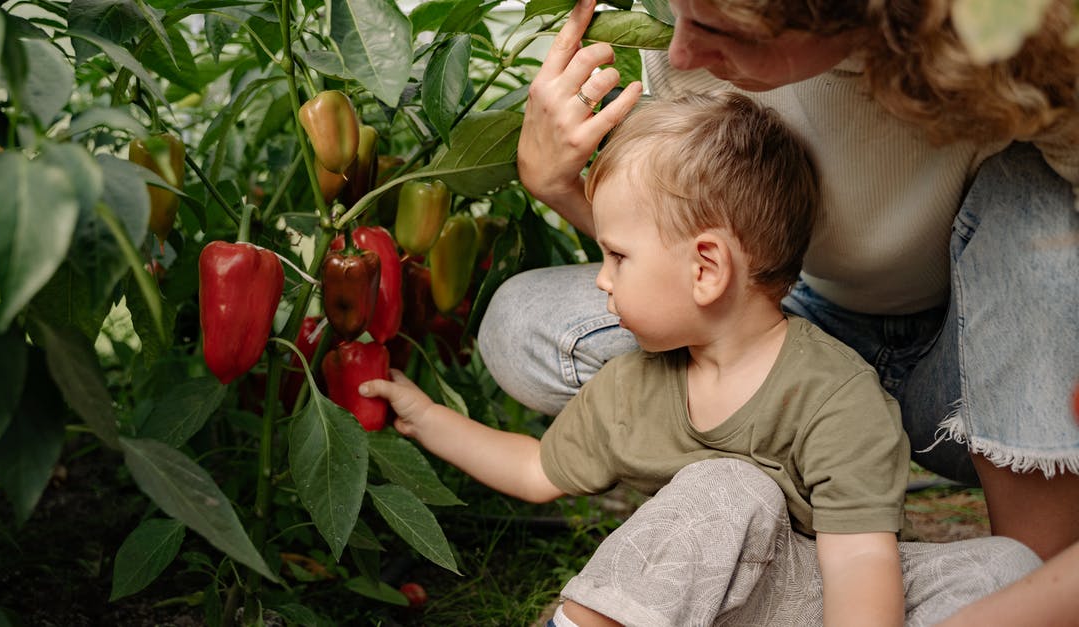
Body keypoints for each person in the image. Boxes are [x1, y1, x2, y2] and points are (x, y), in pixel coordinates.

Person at [362, 93, 1039, 626]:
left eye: (617, 255)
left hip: (829, 599)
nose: (601, 279)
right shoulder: (632, 385)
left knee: (1009, 568)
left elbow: (861, 560)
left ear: (708, 268)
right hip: (705, 599)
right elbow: (536, 469)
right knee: (732, 487)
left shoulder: (835, 395)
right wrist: (425, 416)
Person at [479, 0, 1079, 562]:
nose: (680, 51)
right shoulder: (698, 53)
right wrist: (555, 183)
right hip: (791, 343)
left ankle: (1027, 570)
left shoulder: (1018, 46)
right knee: (526, 324)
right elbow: (680, 252)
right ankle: (767, 530)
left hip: (976, 379)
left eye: (718, 29)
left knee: (1041, 201)